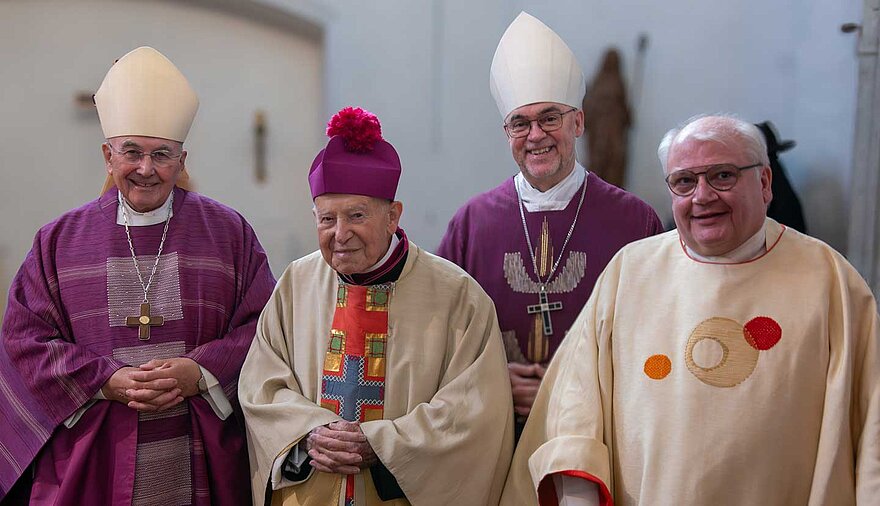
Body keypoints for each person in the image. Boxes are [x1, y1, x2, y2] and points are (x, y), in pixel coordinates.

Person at [501, 114, 880, 505]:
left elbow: (872, 424)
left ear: (765, 182)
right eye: (684, 181)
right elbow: (575, 405)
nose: (702, 196)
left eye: (723, 176)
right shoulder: (630, 271)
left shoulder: (828, 278)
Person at [0, 46, 276, 505]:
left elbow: (266, 328)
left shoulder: (229, 234)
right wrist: (104, 381)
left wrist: (201, 372)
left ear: (181, 161)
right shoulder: (59, 241)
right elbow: (24, 340)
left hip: (198, 454)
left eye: (161, 154)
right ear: (108, 156)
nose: (146, 169)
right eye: (131, 152)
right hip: (96, 461)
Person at [239, 107, 514, 506]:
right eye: (327, 219)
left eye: (356, 216)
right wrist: (309, 434)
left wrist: (382, 446)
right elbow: (261, 388)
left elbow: (474, 414)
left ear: (392, 216)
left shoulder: (458, 297)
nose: (340, 234)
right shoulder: (295, 285)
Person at [436, 12, 663, 434]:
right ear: (507, 132)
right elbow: (439, 333)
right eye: (520, 123)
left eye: (550, 118)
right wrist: (491, 379)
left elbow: (658, 334)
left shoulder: (634, 221)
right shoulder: (472, 224)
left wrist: (572, 386)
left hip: (596, 431)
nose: (536, 134)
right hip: (493, 431)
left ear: (578, 122)